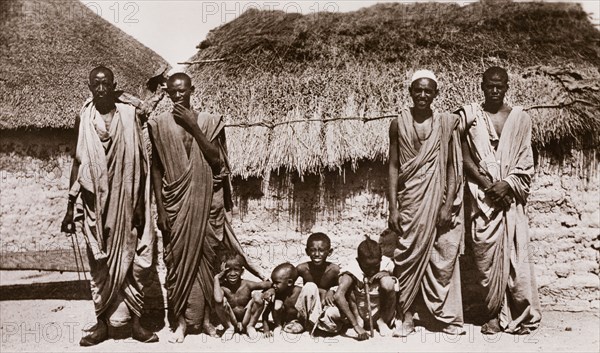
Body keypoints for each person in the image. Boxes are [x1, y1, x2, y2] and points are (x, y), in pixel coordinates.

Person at [148, 72, 266, 343]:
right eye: (173, 92)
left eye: (183, 91)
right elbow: (155, 170)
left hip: (206, 203)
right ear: (167, 92)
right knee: (177, 264)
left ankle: (207, 321)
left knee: (206, 262)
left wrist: (193, 126)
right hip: (175, 205)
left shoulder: (210, 123)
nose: (178, 96)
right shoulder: (159, 124)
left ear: (192, 90)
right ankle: (179, 322)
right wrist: (161, 210)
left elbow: (217, 162)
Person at [60, 66, 163, 346]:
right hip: (96, 206)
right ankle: (102, 323)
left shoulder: (129, 116)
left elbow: (143, 162)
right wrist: (71, 206)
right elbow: (78, 162)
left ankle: (137, 323)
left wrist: (142, 205)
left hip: (128, 203)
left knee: (137, 262)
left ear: (114, 85)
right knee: (100, 264)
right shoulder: (85, 117)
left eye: (106, 83)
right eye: (96, 84)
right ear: (90, 86)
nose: (101, 88)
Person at [457, 66, 542, 334]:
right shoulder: (469, 116)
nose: (495, 90)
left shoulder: (520, 119)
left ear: (507, 87)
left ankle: (514, 312)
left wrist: (507, 185)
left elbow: (526, 161)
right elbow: (459, 152)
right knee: (485, 260)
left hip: (510, 199)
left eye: (500, 86)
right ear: (481, 86)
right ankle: (492, 312)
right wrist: (487, 184)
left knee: (516, 260)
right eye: (490, 86)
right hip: (483, 199)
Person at [387, 70, 464, 337]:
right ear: (410, 91)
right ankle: (406, 315)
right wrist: (393, 207)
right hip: (410, 202)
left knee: (440, 259)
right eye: (418, 90)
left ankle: (443, 316)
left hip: (438, 201)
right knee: (407, 257)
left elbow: (454, 165)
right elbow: (394, 166)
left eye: (428, 91)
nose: (422, 95)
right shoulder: (398, 123)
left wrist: (447, 204)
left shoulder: (446, 124)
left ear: (435, 94)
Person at [317, 237, 397, 340]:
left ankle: (382, 321)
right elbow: (339, 295)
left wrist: (386, 274)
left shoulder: (387, 264)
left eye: (375, 266)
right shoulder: (352, 267)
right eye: (367, 267)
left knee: (388, 282)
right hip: (359, 310)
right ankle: (358, 321)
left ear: (380, 259)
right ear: (359, 261)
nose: (372, 271)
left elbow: (398, 285)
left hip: (380, 310)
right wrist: (355, 325)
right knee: (331, 313)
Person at [213, 253, 272, 340]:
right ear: (223, 271)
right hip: (232, 321)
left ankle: (250, 326)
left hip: (246, 320)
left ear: (242, 271)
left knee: (258, 296)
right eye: (228, 270)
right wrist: (216, 278)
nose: (232, 273)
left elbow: (268, 284)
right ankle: (229, 328)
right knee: (222, 301)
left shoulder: (247, 284)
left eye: (236, 270)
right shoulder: (222, 287)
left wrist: (271, 290)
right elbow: (218, 300)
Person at [259, 263, 305, 337]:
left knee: (296, 328)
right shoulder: (277, 294)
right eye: (273, 282)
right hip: (283, 322)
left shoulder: (301, 292)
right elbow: (265, 314)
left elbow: (319, 292)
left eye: (277, 283)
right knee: (277, 303)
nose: (273, 285)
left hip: (298, 322)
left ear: (289, 282)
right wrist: (266, 330)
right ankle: (278, 326)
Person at [296, 232, 340, 305]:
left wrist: (333, 290)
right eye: (312, 250)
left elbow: (344, 287)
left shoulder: (334, 270)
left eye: (321, 250)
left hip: (327, 304)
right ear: (307, 252)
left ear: (329, 252)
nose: (316, 254)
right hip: (308, 305)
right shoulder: (303, 269)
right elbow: (287, 281)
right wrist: (273, 289)